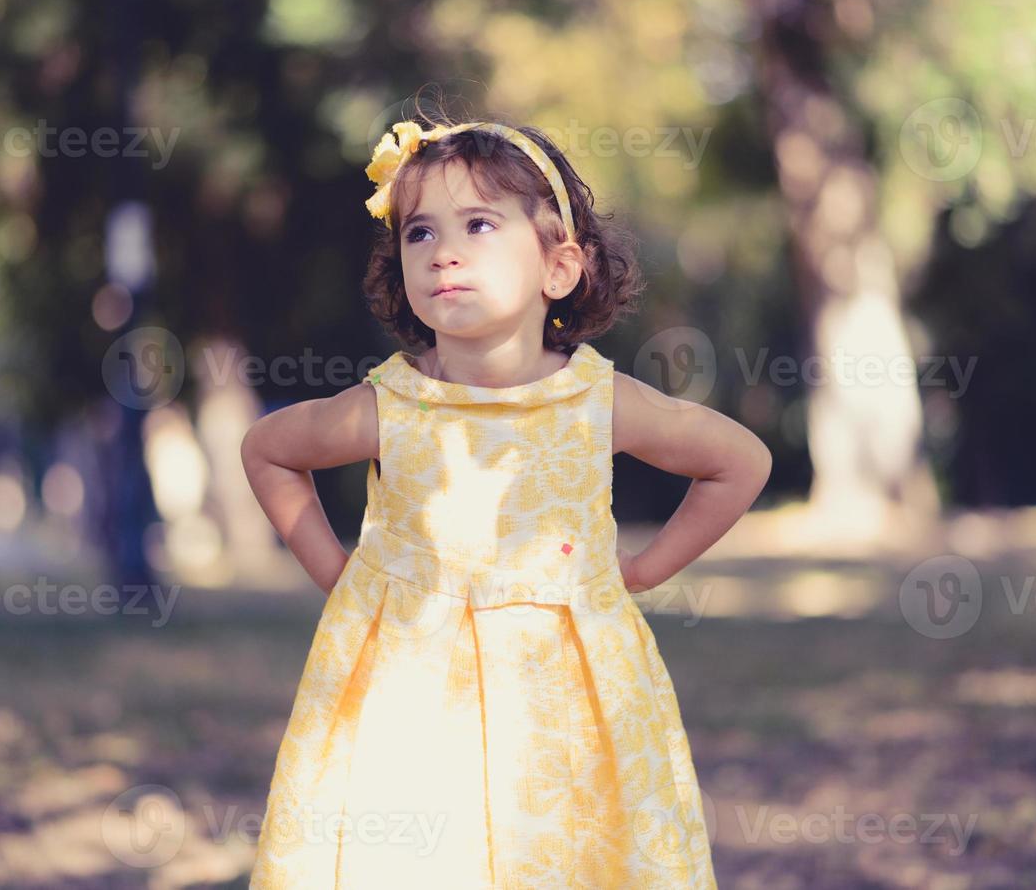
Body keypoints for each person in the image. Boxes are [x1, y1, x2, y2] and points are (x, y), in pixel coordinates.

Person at [241, 108, 772, 888]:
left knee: (569, 854)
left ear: (558, 267)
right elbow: (270, 451)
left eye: (479, 224)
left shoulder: (597, 399)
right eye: (418, 233)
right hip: (413, 695)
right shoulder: (392, 406)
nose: (443, 251)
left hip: (566, 698)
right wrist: (339, 574)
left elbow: (738, 461)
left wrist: (644, 571)